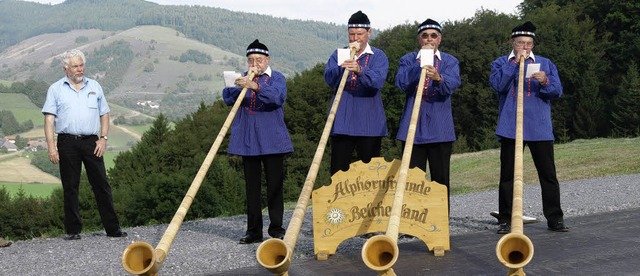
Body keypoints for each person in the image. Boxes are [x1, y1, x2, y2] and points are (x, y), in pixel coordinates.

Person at [489, 21, 568, 234]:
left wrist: (545, 82)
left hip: (539, 126)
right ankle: (505, 219)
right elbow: (498, 85)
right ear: (513, 43)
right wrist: (514, 63)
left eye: (529, 43)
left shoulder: (545, 63)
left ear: (533, 44)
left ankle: (555, 218)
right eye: (521, 43)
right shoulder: (500, 63)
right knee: (508, 175)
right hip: (510, 126)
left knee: (548, 174)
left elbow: (557, 91)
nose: (525, 47)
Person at [42, 49, 127, 240]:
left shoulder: (95, 86)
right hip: (67, 142)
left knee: (101, 185)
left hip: (92, 142)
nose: (80, 69)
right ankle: (73, 231)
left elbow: (104, 113)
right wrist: (51, 146)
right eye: (75, 66)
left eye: (81, 65)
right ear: (66, 69)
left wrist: (103, 138)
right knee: (71, 187)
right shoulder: (55, 89)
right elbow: (49, 120)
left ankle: (113, 229)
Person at [223, 39, 293, 244]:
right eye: (251, 60)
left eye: (259, 60)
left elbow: (277, 98)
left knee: (275, 186)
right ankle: (253, 231)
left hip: (273, 140)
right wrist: (240, 85)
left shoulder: (277, 78)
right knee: (252, 188)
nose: (255, 64)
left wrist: (254, 85)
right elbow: (227, 98)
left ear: (267, 60)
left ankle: (276, 228)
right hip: (249, 140)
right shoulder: (241, 78)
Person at [394, 19, 461, 211]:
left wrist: (438, 77)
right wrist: (420, 64)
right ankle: (412, 221)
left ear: (439, 39)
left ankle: (440, 221)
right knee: (413, 180)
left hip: (440, 126)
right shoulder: (408, 60)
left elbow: (451, 86)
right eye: (425, 36)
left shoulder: (449, 61)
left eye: (433, 36)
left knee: (440, 178)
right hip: (412, 128)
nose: (429, 39)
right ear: (419, 39)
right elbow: (401, 84)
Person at [324, 10, 389, 175]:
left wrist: (360, 70)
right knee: (338, 172)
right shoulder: (339, 54)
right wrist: (341, 67)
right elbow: (329, 79)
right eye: (351, 34)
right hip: (342, 122)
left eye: (359, 34)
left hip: (370, 123)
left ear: (369, 33)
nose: (355, 39)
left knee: (370, 174)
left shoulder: (379, 56)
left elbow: (378, 81)